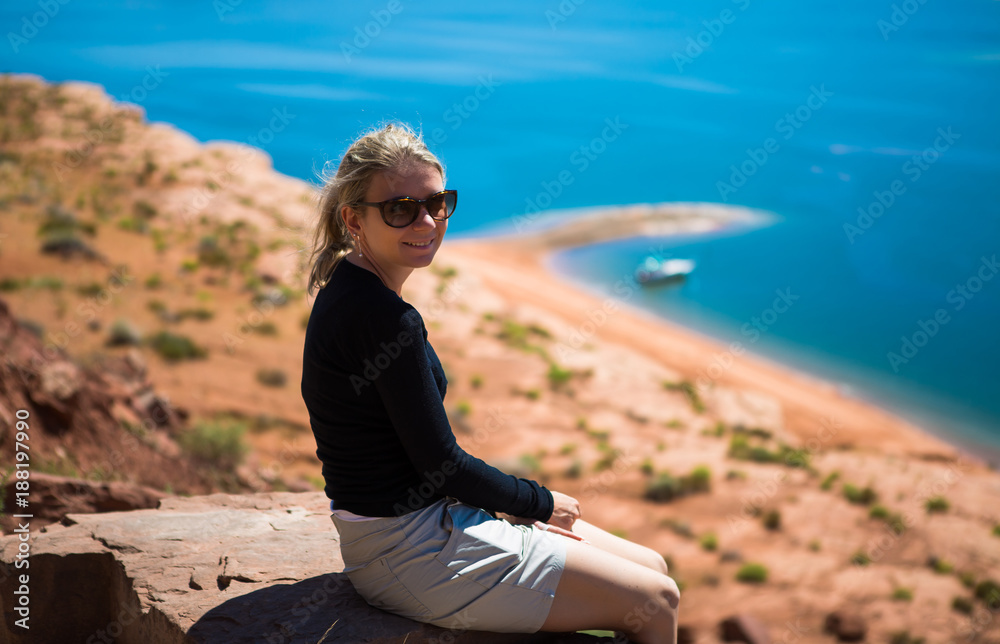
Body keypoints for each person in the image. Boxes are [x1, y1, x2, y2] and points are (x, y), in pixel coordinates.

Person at [300, 121, 680, 643]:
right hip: (410, 553)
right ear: (353, 218)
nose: (426, 221)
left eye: (438, 203)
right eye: (400, 208)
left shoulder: (349, 287)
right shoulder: (385, 319)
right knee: (656, 602)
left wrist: (516, 507)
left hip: (426, 523)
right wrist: (540, 503)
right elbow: (442, 464)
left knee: (655, 565)